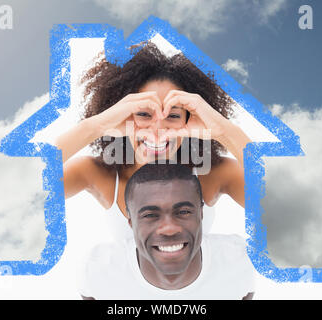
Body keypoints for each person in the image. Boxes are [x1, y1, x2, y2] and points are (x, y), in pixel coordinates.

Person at [56, 42, 252, 239]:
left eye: (173, 116)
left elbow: (278, 204)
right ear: (122, 115)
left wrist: (222, 130)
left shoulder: (214, 173)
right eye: (143, 113)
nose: (158, 130)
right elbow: (30, 193)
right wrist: (94, 127)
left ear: (190, 118)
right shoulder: (96, 173)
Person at [78, 163, 255, 300]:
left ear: (201, 213)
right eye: (150, 215)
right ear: (130, 222)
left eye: (183, 212)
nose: (169, 229)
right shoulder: (99, 268)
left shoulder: (239, 260)